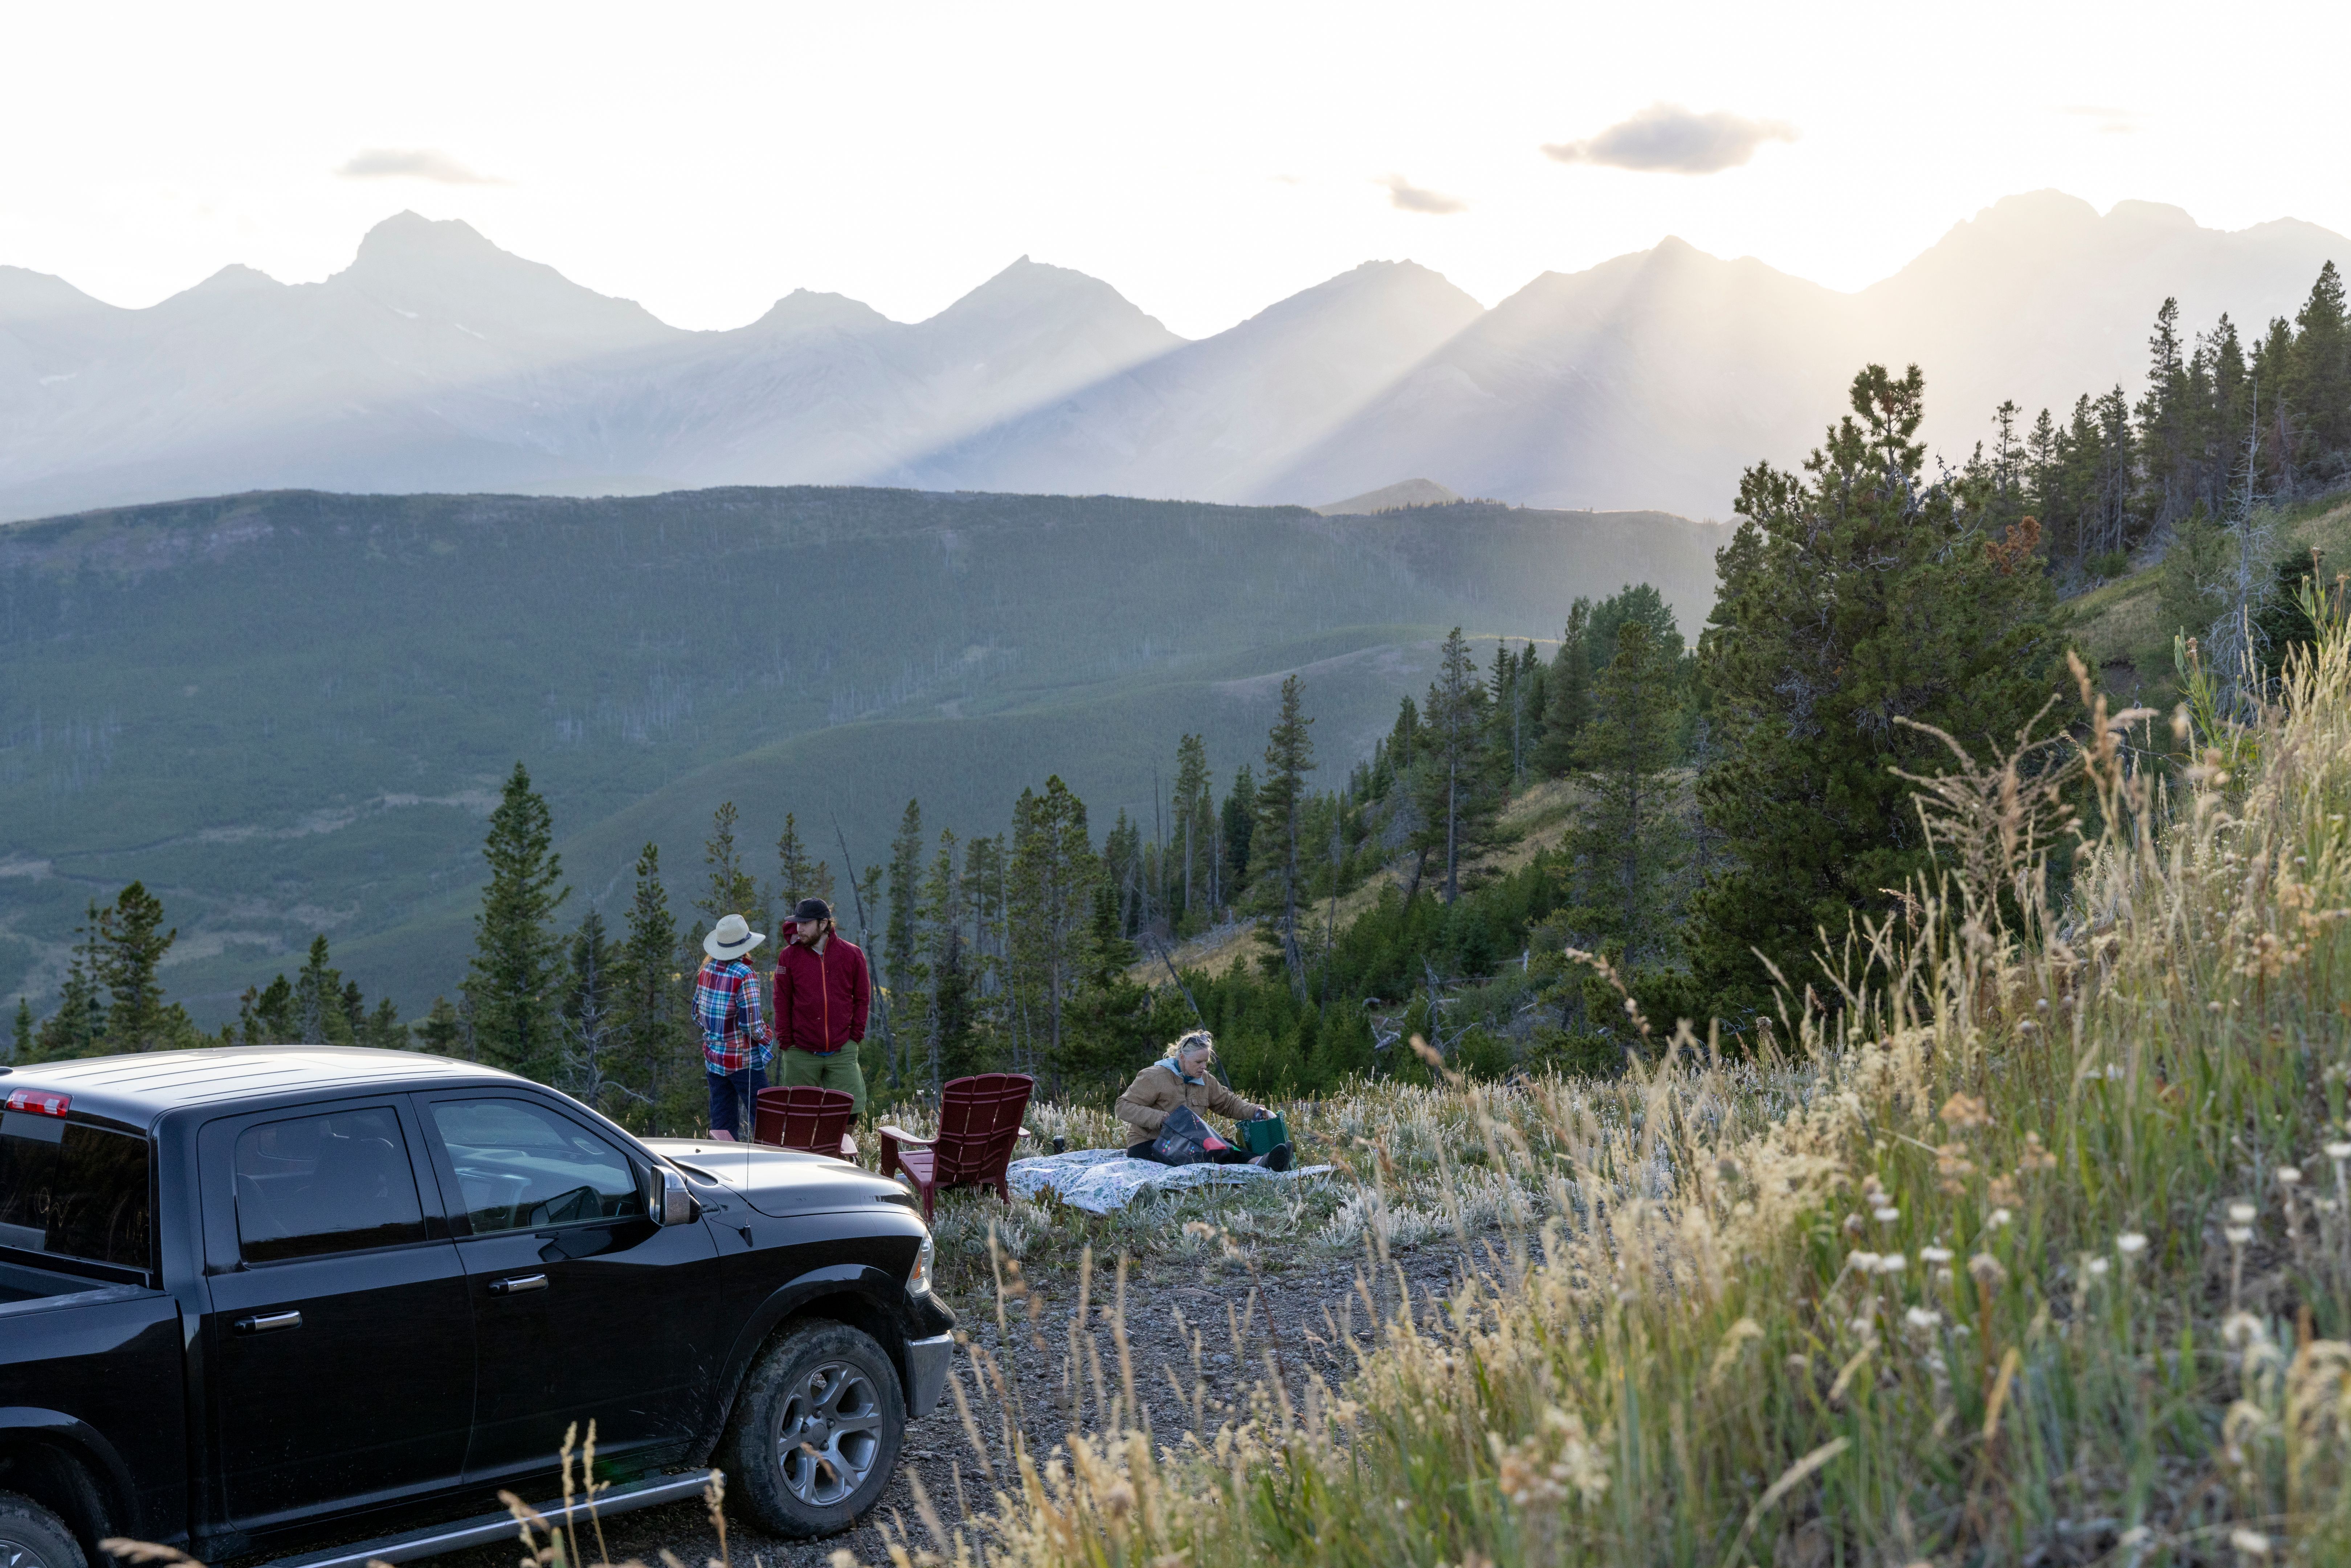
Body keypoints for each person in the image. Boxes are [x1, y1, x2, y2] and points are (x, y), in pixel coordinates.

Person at [1115, 1029, 1293, 1170]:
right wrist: (1159, 1118)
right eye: (1198, 1062)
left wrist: (1254, 1110)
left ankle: (1266, 1162)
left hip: (1189, 1141)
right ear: (1182, 1058)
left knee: (1225, 1146)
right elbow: (1122, 1106)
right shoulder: (1154, 1077)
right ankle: (1261, 1164)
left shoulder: (1205, 1080)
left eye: (1206, 1062)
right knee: (1208, 1155)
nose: (1203, 1067)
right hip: (1149, 1143)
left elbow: (1229, 1104)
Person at [770, 898, 872, 1117]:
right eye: (798, 923)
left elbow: (863, 998)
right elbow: (781, 1000)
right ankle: (805, 1152)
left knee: (851, 1110)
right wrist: (786, 1042)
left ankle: (840, 1152)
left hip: (842, 1047)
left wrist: (855, 1037)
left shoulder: (852, 954)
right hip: (801, 1050)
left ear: (824, 924)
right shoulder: (788, 957)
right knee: (800, 1114)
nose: (800, 929)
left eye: (806, 923)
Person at [694, 913, 771, 1140]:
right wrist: (768, 1037)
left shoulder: (706, 971)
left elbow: (696, 1015)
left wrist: (716, 1035)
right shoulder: (745, 975)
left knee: (722, 1124)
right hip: (743, 1060)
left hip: (715, 1059)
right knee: (765, 1119)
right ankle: (766, 1165)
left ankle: (722, 1166)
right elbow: (752, 1026)